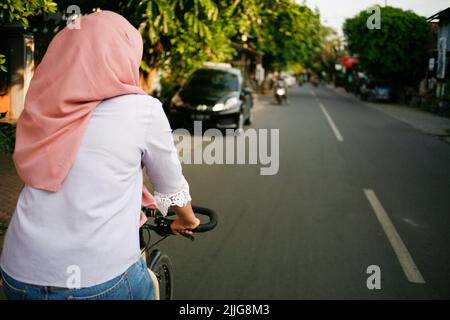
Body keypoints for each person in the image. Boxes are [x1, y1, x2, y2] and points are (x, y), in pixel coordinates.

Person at [0, 11, 199, 300]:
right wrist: (186, 218)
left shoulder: (42, 105)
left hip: (17, 273)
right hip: (98, 280)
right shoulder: (143, 110)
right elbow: (170, 184)